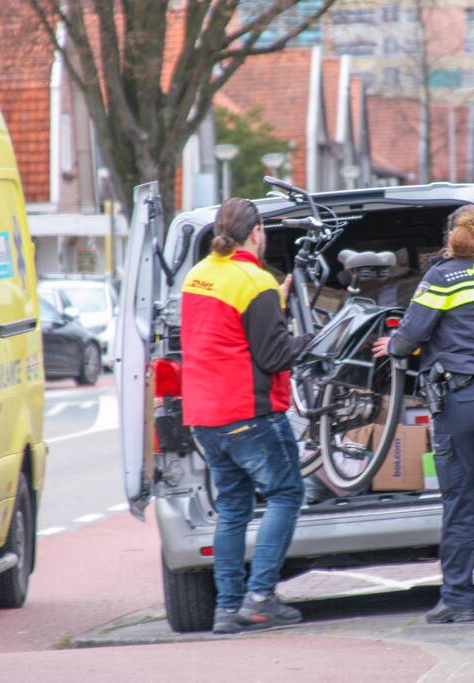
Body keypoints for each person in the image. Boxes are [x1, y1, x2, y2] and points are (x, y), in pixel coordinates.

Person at [372, 204, 474, 624]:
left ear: (451, 237)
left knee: (459, 501)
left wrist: (391, 347)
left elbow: (410, 336)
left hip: (466, 402)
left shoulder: (441, 276)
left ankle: (458, 601)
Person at [180, 197, 313, 634]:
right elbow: (273, 356)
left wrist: (274, 302)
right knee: (286, 494)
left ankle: (227, 608)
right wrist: (308, 339)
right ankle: (260, 599)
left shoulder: (197, 276)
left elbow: (225, 332)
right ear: (257, 233)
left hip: (205, 417)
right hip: (248, 414)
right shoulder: (254, 281)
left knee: (234, 507)